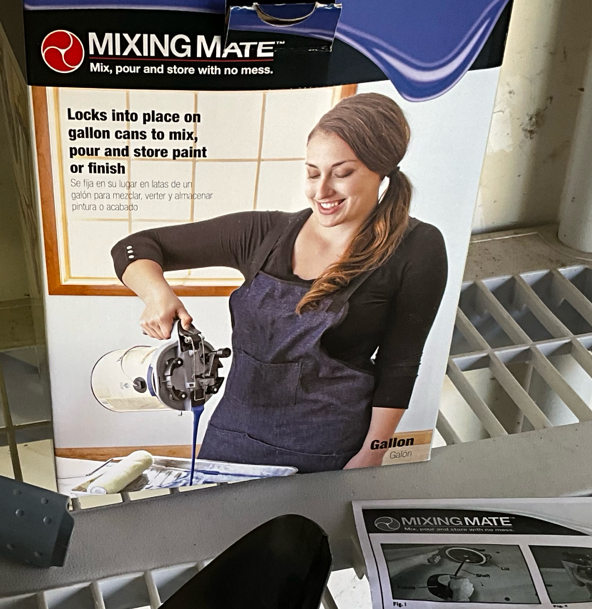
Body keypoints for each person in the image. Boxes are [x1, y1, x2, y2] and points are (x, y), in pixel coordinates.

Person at [111, 92, 448, 472]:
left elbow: (400, 363)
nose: (321, 191)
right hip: (231, 439)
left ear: (381, 171)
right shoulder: (263, 234)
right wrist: (157, 295)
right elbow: (134, 247)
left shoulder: (417, 247)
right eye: (312, 173)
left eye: (342, 174)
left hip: (328, 453)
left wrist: (373, 453)